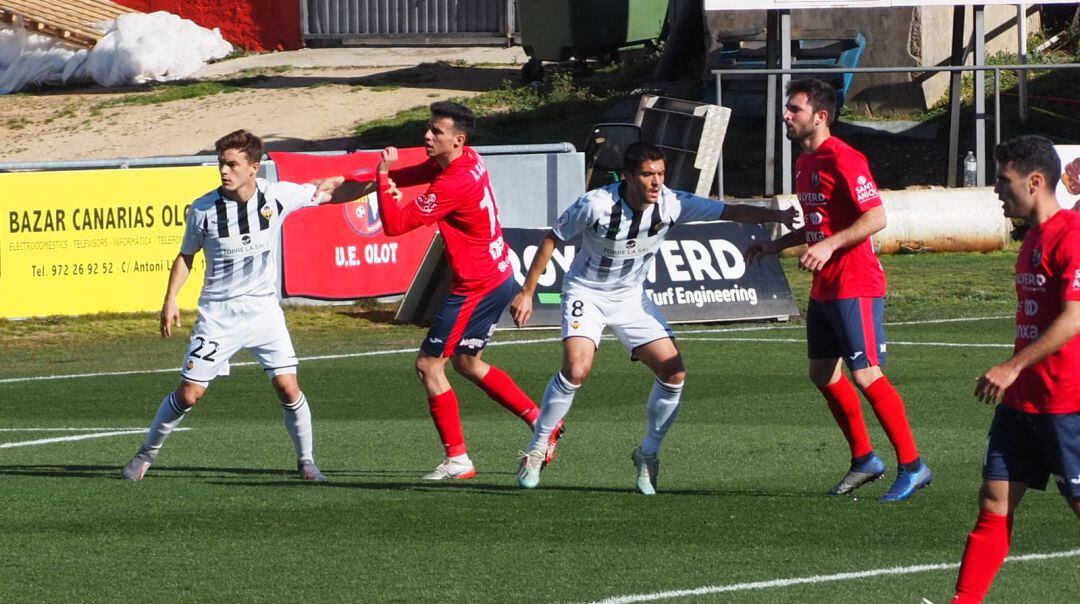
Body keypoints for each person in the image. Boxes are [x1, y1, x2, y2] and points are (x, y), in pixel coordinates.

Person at [511, 141, 796, 494]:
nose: (656, 182)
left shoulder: (673, 203)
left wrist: (776, 216)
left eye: (661, 174)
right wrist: (527, 291)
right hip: (587, 291)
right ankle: (538, 449)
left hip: (631, 297)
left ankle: (647, 454)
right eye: (647, 175)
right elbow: (553, 238)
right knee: (576, 369)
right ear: (628, 176)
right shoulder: (596, 204)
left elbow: (730, 211)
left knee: (674, 372)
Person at [122, 129, 354, 482]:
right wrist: (170, 300)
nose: (224, 171)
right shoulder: (203, 209)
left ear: (254, 168)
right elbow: (186, 256)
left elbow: (330, 192)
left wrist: (382, 182)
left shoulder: (276, 197)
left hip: (263, 311)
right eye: (221, 164)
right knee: (190, 393)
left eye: (232, 164)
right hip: (218, 314)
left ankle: (307, 462)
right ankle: (145, 455)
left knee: (288, 387)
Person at [746, 78, 930, 501]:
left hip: (856, 282)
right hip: (826, 287)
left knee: (866, 375)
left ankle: (913, 465)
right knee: (821, 374)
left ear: (820, 116)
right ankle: (865, 459)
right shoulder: (805, 161)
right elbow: (818, 225)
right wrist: (776, 245)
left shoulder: (845, 158)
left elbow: (876, 217)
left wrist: (829, 245)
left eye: (794, 109)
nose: (786, 116)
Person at [372, 101, 560, 480]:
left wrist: (381, 179)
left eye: (435, 132)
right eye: (428, 128)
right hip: (498, 273)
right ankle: (543, 423)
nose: (426, 135)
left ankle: (458, 459)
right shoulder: (468, 158)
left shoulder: (453, 182)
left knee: (428, 365)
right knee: (468, 363)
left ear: (457, 140)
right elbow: (420, 171)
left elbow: (395, 225)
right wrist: (374, 175)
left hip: (476, 285)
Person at [949, 136, 1080, 603]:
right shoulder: (1031, 240)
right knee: (993, 502)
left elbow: (1074, 317)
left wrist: (1011, 366)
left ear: (1036, 181)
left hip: (1067, 402)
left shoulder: (1073, 234)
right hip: (1021, 402)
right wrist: (1016, 376)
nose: (997, 191)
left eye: (1004, 182)